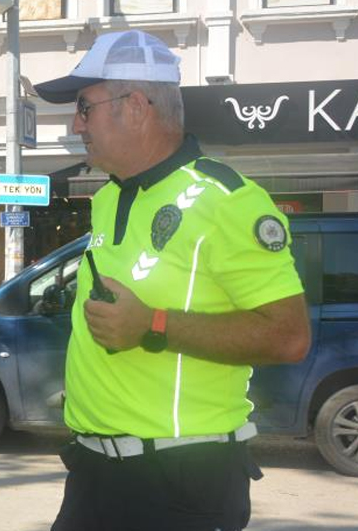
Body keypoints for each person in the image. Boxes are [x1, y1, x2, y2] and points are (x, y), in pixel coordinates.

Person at [32, 30, 311, 531]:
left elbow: (289, 336)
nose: (76, 124)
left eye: (83, 106)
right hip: (95, 474)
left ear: (135, 106)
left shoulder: (226, 199)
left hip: (182, 481)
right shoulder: (108, 198)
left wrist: (154, 324)